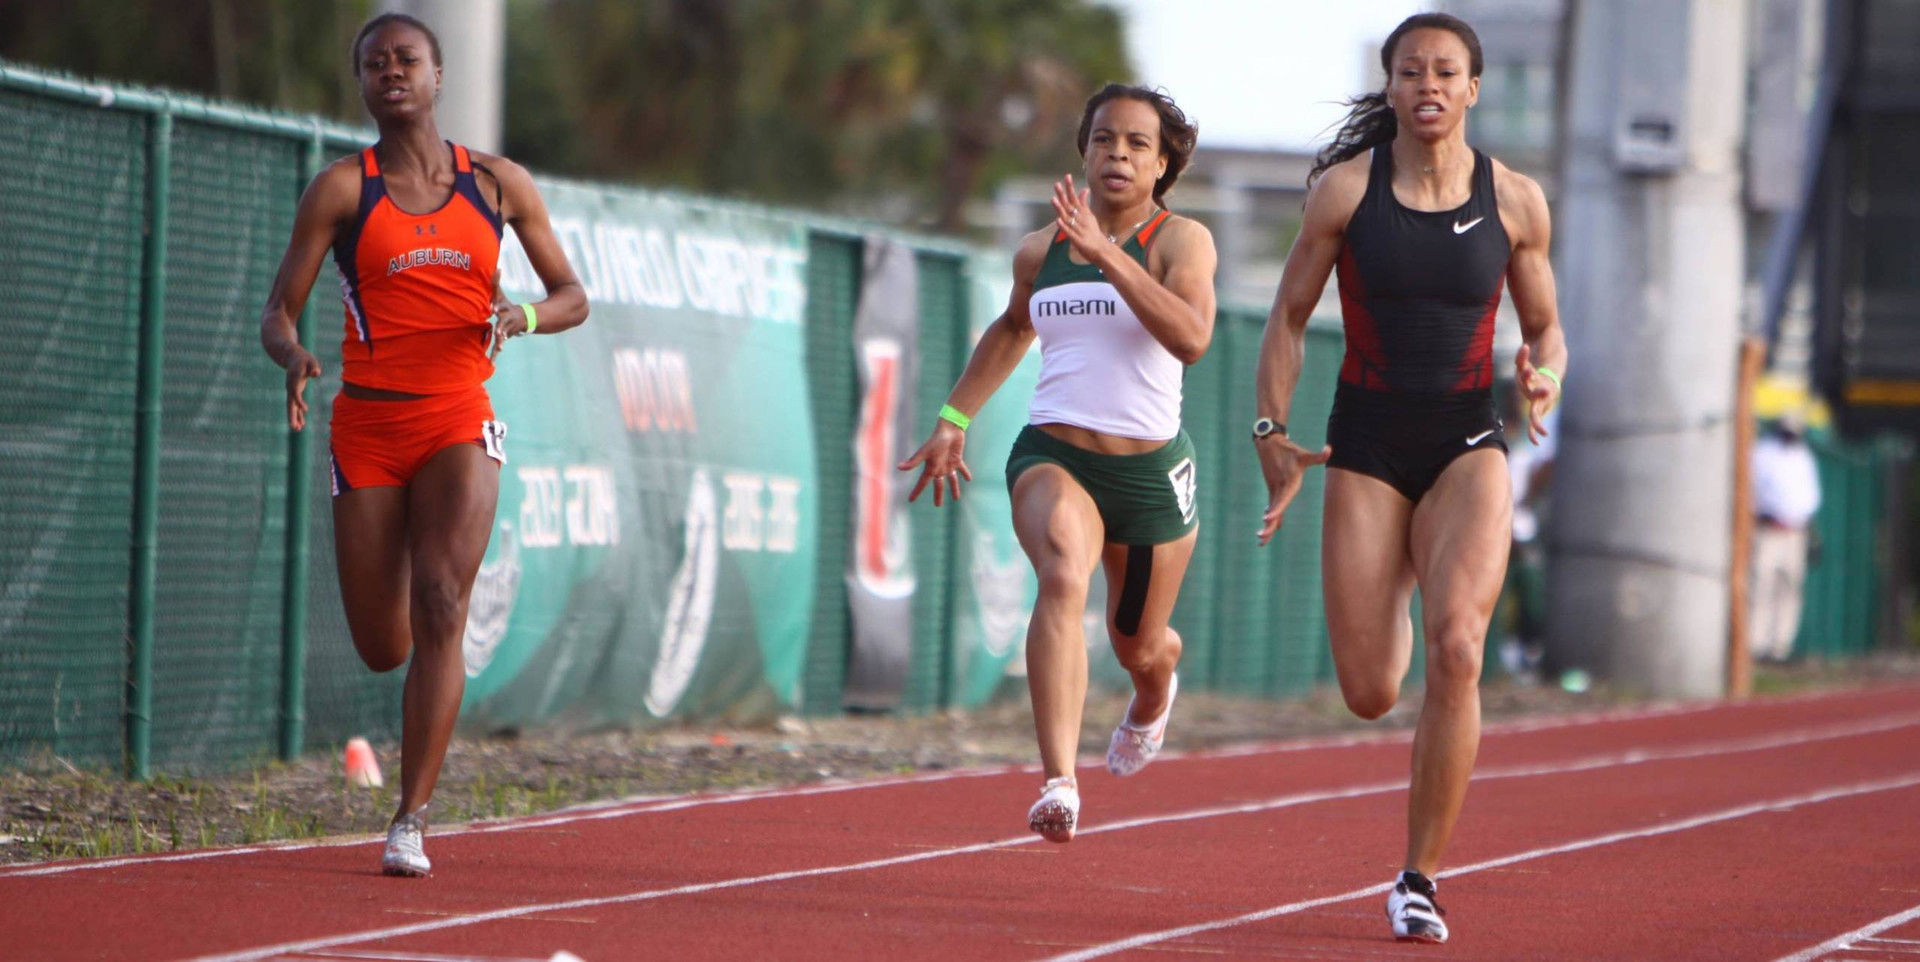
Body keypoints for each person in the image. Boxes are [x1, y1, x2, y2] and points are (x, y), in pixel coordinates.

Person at [1249, 13, 1567, 943]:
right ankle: (1392, 584)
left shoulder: (1515, 200)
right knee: (1371, 690)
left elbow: (1546, 327)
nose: (1428, 85)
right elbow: (1287, 319)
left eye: (1446, 72)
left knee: (1459, 647)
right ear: (1389, 86)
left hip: (1470, 438)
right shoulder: (1346, 193)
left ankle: (1418, 878)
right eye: (1410, 71)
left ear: (1473, 89)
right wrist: (1271, 427)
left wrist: (1542, 372)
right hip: (1369, 444)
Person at [257, 13, 587, 877]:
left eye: (407, 60)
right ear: (362, 87)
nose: (391, 73)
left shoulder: (497, 185)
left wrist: (522, 315)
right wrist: (292, 355)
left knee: (443, 600)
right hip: (366, 425)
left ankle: (410, 820)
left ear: (439, 76)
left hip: (455, 417)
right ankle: (416, 654)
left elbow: (572, 295)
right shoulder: (341, 189)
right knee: (384, 643)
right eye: (374, 65)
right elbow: (278, 310)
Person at [898, 84, 1217, 843]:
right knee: (1064, 573)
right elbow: (1011, 331)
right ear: (1084, 149)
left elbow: (1192, 338)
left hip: (1148, 472)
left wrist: (1109, 255)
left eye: (1139, 144)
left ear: (1162, 163)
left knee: (1137, 642)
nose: (1118, 153)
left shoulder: (1181, 243)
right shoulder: (1039, 251)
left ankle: (1154, 689)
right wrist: (953, 417)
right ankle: (1059, 782)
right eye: (1105, 138)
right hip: (1055, 454)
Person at [1750, 412, 1822, 662]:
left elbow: (1810, 496)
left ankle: (1781, 646)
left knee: (1790, 589)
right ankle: (1755, 645)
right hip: (1768, 530)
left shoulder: (1803, 456)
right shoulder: (1763, 453)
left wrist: (1810, 530)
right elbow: (1755, 490)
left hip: (1795, 532)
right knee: (1761, 586)